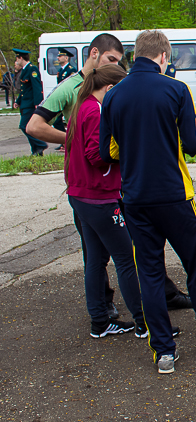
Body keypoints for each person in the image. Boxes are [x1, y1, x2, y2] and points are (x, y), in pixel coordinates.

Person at [99, 30, 196, 374]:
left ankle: (163, 351)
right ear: (165, 56)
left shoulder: (114, 95)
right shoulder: (175, 89)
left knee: (150, 274)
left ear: (135, 54)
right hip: (174, 194)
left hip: (135, 198)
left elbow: (107, 151)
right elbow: (193, 143)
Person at [26, 33, 192, 314]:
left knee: (129, 247)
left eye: (119, 61)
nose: (116, 67)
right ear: (94, 55)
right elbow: (35, 126)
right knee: (116, 255)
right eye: (111, 60)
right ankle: (133, 318)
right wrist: (72, 139)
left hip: (102, 188)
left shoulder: (106, 94)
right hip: (95, 189)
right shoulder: (74, 91)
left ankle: (112, 314)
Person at [64, 64, 145, 339]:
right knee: (126, 259)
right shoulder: (95, 110)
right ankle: (144, 321)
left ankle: (100, 321)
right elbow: (97, 154)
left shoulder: (82, 105)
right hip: (99, 196)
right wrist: (128, 149)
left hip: (81, 194)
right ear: (110, 89)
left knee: (96, 259)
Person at [12, 48, 47, 156]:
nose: (16, 61)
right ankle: (36, 150)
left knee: (24, 126)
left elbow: (36, 87)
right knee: (29, 128)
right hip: (24, 103)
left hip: (30, 104)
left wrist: (38, 103)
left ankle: (40, 144)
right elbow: (24, 89)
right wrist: (17, 101)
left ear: (21, 58)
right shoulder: (25, 70)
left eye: (17, 58)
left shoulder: (32, 69)